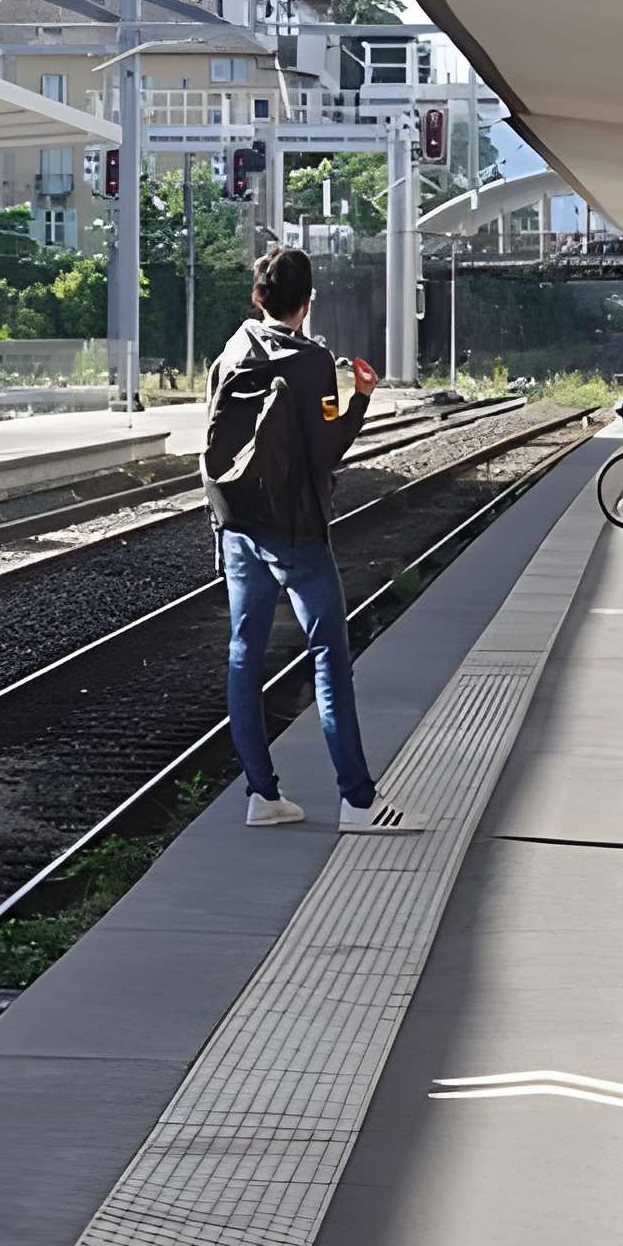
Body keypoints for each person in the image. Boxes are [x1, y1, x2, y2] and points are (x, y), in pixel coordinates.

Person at [204, 245, 427, 835]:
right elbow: (327, 451)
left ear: (258, 298)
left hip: (238, 526)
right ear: (307, 302)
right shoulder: (311, 361)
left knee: (244, 652)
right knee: (329, 654)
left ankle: (261, 794)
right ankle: (357, 801)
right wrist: (361, 399)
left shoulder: (230, 352)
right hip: (295, 532)